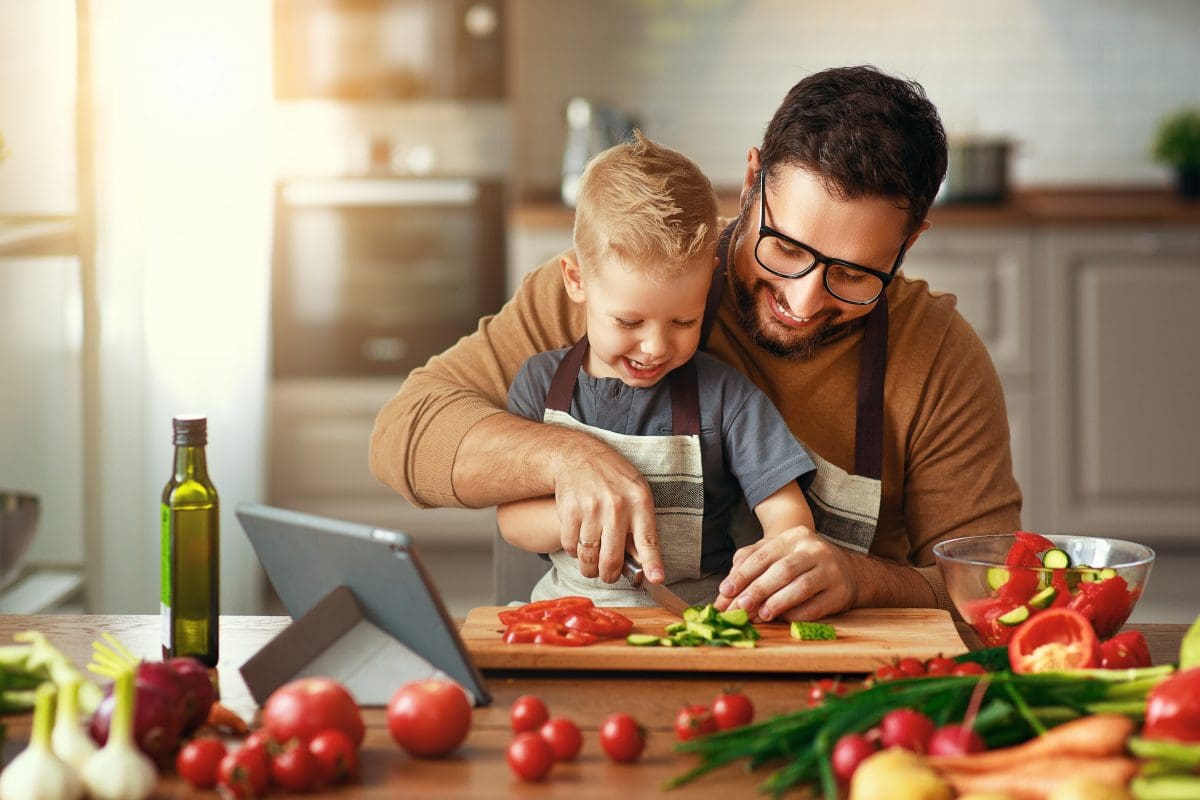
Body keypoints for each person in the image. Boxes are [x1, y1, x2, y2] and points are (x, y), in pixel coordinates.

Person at [369, 64, 1022, 623]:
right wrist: (566, 457)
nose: (802, 300)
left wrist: (865, 580)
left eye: (853, 274)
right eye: (786, 247)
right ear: (750, 181)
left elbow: (992, 587)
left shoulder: (936, 358)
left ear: (909, 243)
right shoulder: (623, 283)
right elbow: (405, 433)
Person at [498, 132, 818, 607]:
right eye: (629, 321)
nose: (654, 347)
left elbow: (786, 512)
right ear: (576, 279)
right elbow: (513, 519)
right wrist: (587, 519)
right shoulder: (540, 384)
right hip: (564, 616)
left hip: (691, 620)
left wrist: (781, 553)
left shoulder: (728, 398)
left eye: (683, 321)